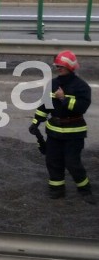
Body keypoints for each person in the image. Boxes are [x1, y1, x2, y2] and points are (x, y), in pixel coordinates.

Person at [29, 50, 94, 203]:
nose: (58, 68)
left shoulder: (81, 87)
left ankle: (84, 189)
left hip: (74, 133)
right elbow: (45, 106)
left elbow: (81, 108)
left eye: (61, 66)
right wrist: (36, 122)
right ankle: (57, 189)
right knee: (53, 161)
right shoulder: (53, 83)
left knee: (72, 163)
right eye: (57, 66)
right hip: (54, 133)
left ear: (71, 67)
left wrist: (63, 98)